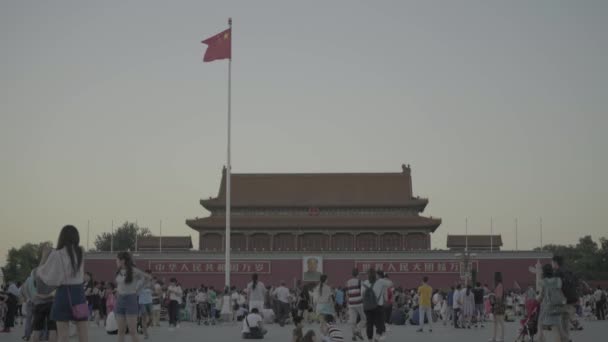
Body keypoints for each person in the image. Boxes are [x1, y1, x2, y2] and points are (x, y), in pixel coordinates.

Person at [35, 225, 88, 342]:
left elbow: (43, 275)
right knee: (83, 335)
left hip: (63, 294)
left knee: (63, 336)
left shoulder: (57, 254)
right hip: (79, 294)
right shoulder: (81, 252)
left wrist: (44, 256)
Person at [114, 251, 152, 342]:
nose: (116, 261)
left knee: (132, 331)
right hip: (120, 301)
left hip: (131, 300)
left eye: (117, 259)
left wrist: (138, 290)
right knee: (121, 331)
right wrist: (118, 291)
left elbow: (148, 277)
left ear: (123, 260)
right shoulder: (118, 271)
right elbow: (120, 284)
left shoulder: (133, 270)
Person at [538, 264, 566, 342]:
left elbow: (541, 296)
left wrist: (536, 300)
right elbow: (560, 291)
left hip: (548, 307)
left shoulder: (543, 281)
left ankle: (540, 339)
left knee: (541, 325)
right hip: (558, 306)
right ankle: (564, 339)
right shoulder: (558, 280)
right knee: (558, 326)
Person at [552, 255, 577, 342]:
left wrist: (562, 299)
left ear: (555, 262)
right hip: (571, 300)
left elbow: (557, 288)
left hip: (562, 301)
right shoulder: (569, 271)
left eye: (552, 262)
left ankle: (565, 339)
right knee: (565, 322)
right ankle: (566, 338)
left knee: (559, 324)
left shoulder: (557, 272)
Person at [362, 269, 386, 341]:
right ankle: (377, 337)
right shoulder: (379, 283)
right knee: (379, 323)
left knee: (369, 323)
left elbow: (362, 295)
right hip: (377, 306)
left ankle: (370, 339)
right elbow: (382, 295)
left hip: (367, 306)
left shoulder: (364, 283)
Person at [345, 268, 365, 341]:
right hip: (359, 303)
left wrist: (348, 302)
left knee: (353, 321)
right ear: (358, 274)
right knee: (364, 319)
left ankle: (354, 336)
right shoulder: (360, 282)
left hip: (351, 303)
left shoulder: (348, 282)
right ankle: (357, 330)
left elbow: (347, 294)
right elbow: (362, 293)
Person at [137, 270, 154, 339]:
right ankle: (145, 334)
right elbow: (137, 291)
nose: (149, 276)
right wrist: (144, 284)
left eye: (150, 275)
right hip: (142, 302)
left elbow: (153, 290)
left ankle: (142, 329)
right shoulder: (140, 281)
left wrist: (151, 285)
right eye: (148, 274)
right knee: (144, 318)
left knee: (151, 319)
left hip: (149, 302)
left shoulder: (151, 282)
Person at [489, 272, 505, 342]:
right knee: (495, 322)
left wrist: (493, 297)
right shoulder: (499, 285)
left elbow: (498, 297)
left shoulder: (499, 286)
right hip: (497, 305)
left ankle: (501, 338)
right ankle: (494, 337)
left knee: (500, 322)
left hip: (498, 305)